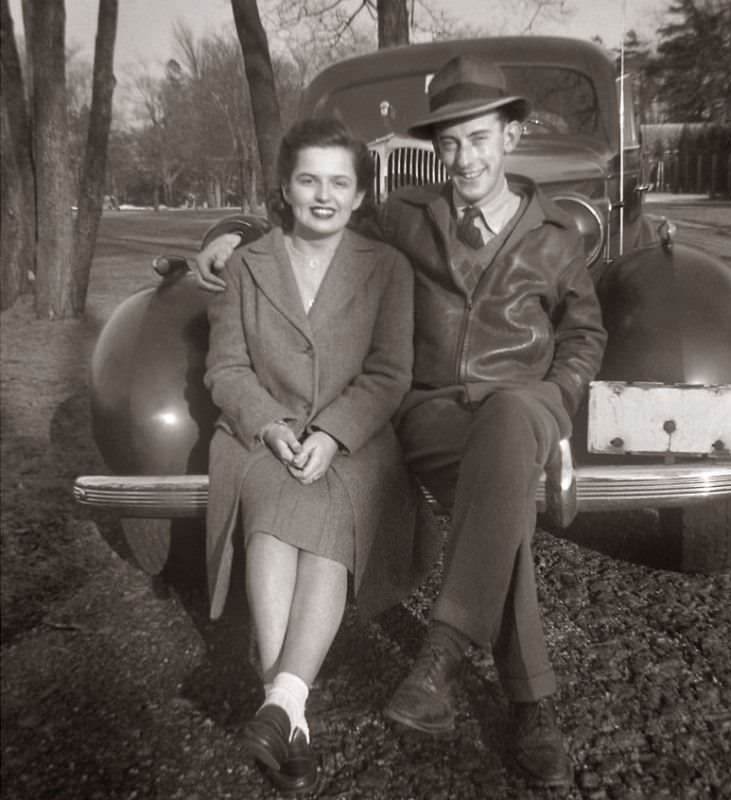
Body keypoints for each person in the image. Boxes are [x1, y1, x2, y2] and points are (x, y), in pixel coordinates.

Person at [196, 56, 607, 790]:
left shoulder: (556, 235)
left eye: (479, 138)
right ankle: (526, 701)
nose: (464, 157)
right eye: (449, 144)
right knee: (501, 496)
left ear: (510, 135)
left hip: (524, 405)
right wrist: (229, 234)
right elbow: (317, 214)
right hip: (434, 413)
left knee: (512, 424)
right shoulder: (408, 217)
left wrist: (562, 393)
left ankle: (447, 659)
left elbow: (585, 333)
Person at [203, 117, 417, 795]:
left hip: (353, 438)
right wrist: (269, 427)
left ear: (359, 197)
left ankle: (282, 705)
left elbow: (389, 374)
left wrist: (333, 434)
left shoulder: (387, 268)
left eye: (339, 183)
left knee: (328, 517)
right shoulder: (248, 264)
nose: (323, 195)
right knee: (269, 508)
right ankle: (287, 711)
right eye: (308, 180)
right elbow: (226, 369)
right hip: (259, 435)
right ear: (285, 189)